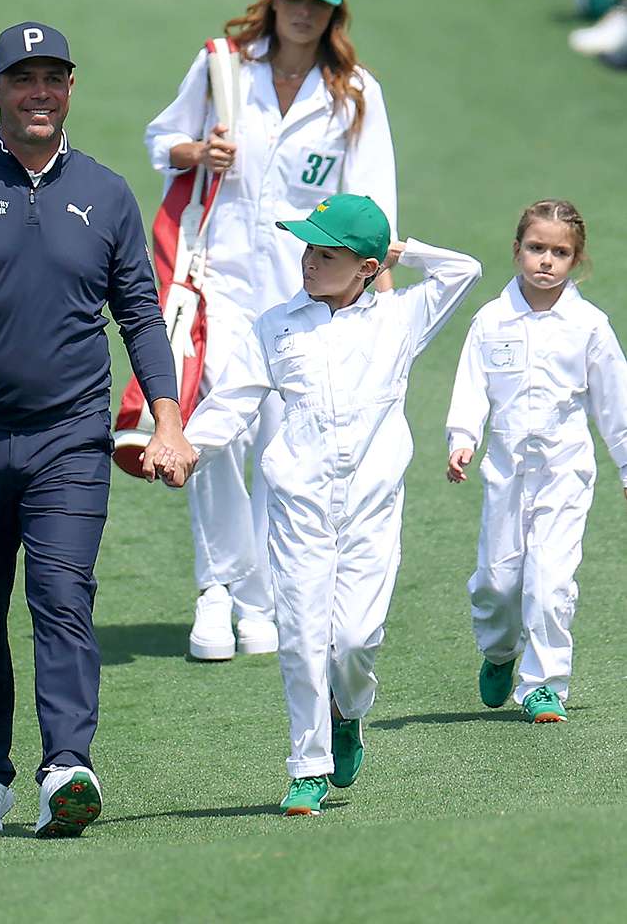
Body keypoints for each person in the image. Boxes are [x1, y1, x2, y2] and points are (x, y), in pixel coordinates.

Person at [0, 21, 194, 839]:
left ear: (69, 89)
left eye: (53, 78)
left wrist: (167, 419)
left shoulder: (107, 193)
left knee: (63, 596)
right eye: (22, 79)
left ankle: (68, 767)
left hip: (71, 437)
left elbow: (140, 313)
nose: (39, 92)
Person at [182, 194, 480, 815]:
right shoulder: (275, 325)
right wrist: (187, 450)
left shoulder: (402, 317)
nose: (309, 263)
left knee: (356, 638)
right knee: (301, 637)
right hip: (299, 502)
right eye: (307, 250)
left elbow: (465, 270)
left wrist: (402, 249)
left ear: (368, 268)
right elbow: (232, 402)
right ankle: (307, 766)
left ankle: (350, 709)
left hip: (372, 504)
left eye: (326, 253)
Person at [145, 0, 396, 662]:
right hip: (217, 276)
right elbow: (160, 138)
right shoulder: (223, 65)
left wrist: (374, 298)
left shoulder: (355, 94)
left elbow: (377, 204)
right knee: (216, 424)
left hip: (307, 292)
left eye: (317, 3)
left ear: (333, 12)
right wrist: (199, 153)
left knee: (285, 444)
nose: (303, 13)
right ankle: (218, 590)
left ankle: (258, 599)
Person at [445, 200, 627, 723]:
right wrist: (463, 436)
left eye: (560, 252)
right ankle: (500, 653)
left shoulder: (589, 325)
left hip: (565, 470)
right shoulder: (492, 319)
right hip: (505, 470)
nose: (546, 260)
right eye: (537, 248)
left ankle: (543, 683)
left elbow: (613, 401)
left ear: (577, 261)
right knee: (497, 583)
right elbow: (471, 386)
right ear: (517, 250)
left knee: (550, 581)